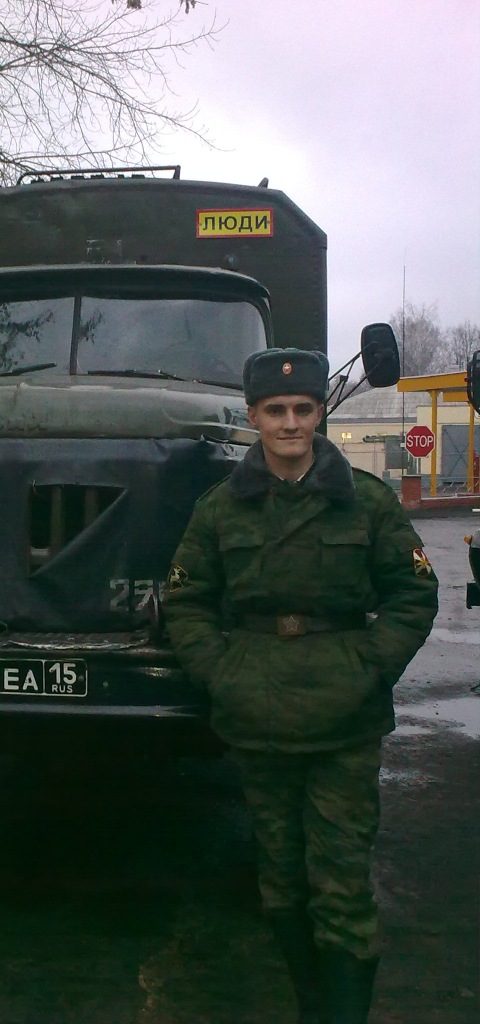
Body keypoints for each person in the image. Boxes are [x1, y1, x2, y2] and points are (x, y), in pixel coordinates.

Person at [163, 348, 438, 1024]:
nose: (290, 423)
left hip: (345, 722)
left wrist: (368, 667)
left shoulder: (366, 504)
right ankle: (312, 1006)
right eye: (276, 410)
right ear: (253, 416)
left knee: (340, 886)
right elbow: (187, 603)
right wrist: (225, 675)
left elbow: (413, 595)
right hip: (256, 714)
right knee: (281, 880)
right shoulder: (220, 510)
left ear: (319, 415)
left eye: (303, 409)